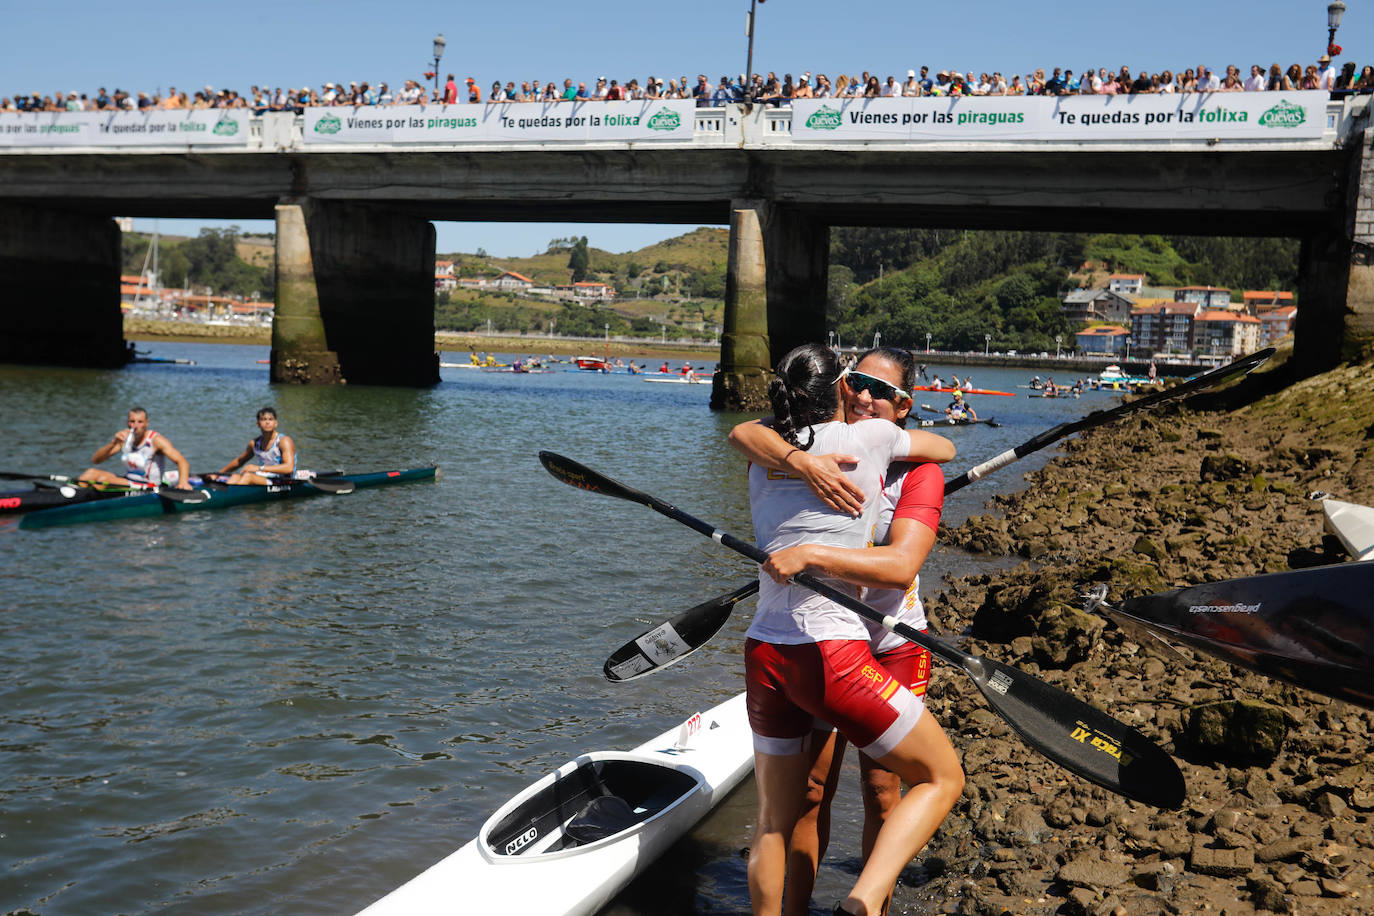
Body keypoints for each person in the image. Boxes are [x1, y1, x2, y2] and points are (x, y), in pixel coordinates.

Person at [728, 343, 962, 916]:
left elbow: (903, 564)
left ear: (905, 405)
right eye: (859, 382)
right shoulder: (804, 446)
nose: (867, 396)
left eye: (885, 393)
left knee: (872, 793)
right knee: (823, 794)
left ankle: (866, 907)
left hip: (864, 643)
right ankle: (828, 907)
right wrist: (803, 461)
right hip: (832, 648)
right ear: (840, 387)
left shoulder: (909, 468)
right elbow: (743, 433)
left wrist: (806, 552)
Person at [79, 407, 191, 491]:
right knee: (90, 473)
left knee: (104, 481)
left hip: (149, 486)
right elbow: (96, 460)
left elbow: (182, 461)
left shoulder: (156, 441)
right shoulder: (126, 439)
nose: (135, 425)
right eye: (132, 421)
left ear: (146, 423)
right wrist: (113, 443)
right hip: (128, 481)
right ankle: (71, 496)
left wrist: (183, 483)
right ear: (128, 423)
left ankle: (84, 502)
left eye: (140, 422)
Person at [216, 407, 297, 485]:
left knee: (248, 477)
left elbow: (289, 467)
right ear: (258, 424)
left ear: (276, 423)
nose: (267, 422)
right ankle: (221, 495)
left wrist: (259, 468)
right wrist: (219, 474)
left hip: (284, 480)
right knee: (235, 476)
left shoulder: (284, 441)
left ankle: (231, 496)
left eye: (270, 419)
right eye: (263, 419)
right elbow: (239, 461)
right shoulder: (254, 443)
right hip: (266, 477)